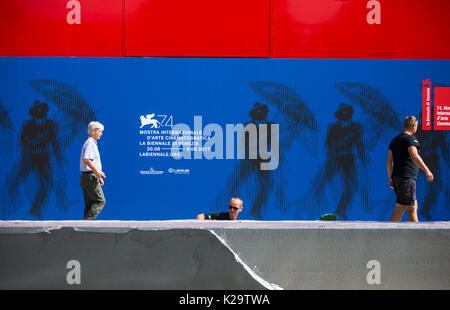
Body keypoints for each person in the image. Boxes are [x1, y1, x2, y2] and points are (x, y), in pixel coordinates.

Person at [387, 116, 433, 222]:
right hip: (406, 179)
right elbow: (414, 155)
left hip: (398, 178)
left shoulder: (395, 140)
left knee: (412, 207)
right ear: (414, 126)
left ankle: (413, 234)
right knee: (402, 208)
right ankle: (393, 233)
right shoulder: (411, 139)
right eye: (417, 125)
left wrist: (391, 178)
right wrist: (427, 171)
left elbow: (389, 161)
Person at [80, 121, 106, 220]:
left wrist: (98, 175)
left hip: (87, 177)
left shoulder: (89, 143)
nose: (101, 133)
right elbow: (86, 159)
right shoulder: (90, 143)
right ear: (93, 131)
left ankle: (84, 227)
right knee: (100, 201)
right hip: (90, 177)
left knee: (90, 204)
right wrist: (97, 172)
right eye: (99, 131)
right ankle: (87, 223)